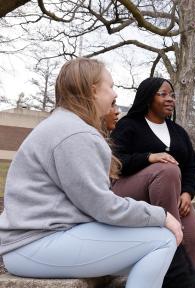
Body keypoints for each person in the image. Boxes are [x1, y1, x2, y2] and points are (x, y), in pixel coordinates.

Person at [0, 58, 183, 288]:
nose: (114, 94)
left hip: (39, 242)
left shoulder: (66, 125)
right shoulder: (75, 133)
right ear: (93, 90)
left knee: (149, 250)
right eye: (111, 87)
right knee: (163, 240)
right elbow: (103, 207)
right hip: (35, 245)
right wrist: (161, 216)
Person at [110, 77, 195, 276]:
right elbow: (116, 162)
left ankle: (194, 282)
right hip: (129, 192)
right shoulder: (129, 124)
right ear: (148, 98)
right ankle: (172, 238)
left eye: (172, 95)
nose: (170, 99)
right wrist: (149, 157)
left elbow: (190, 167)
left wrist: (187, 193)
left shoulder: (178, 132)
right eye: (163, 94)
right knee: (167, 168)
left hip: (170, 196)